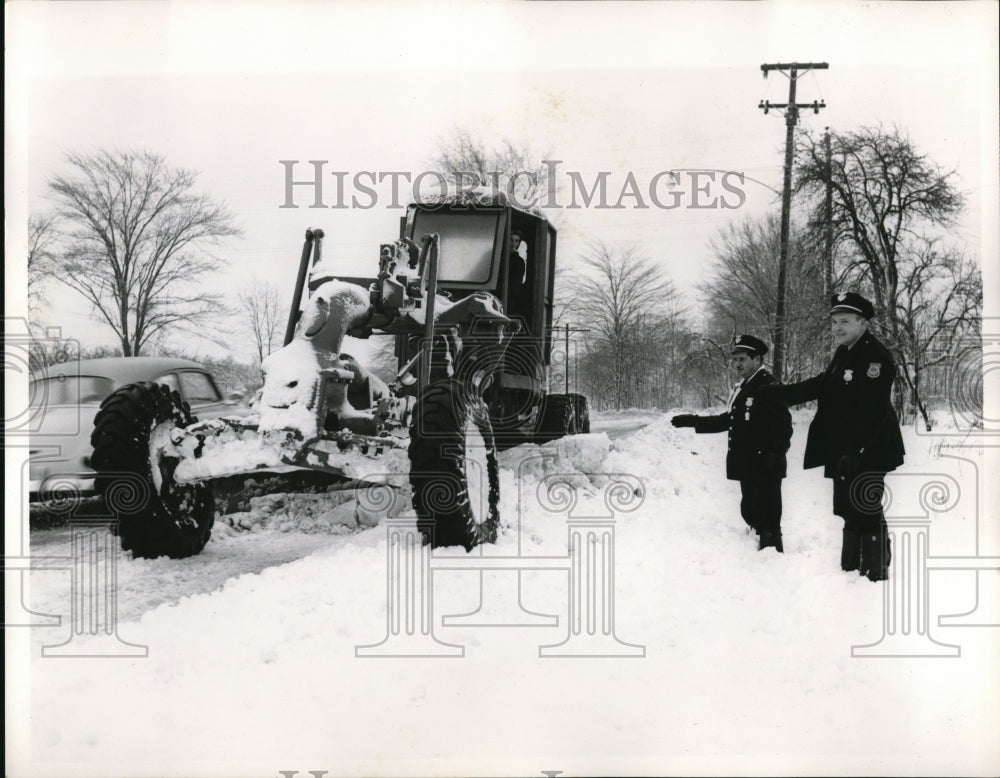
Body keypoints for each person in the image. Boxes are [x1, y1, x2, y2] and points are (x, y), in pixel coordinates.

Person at [766, 292, 905, 581]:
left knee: (865, 506)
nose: (838, 328)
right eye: (834, 322)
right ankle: (850, 569)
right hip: (847, 448)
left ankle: (874, 574)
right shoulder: (845, 352)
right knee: (848, 508)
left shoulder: (874, 357)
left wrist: (856, 452)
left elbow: (873, 413)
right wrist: (782, 394)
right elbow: (823, 384)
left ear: (862, 323)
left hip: (871, 447)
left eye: (845, 321)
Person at [671, 335, 792, 552]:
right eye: (734, 359)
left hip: (765, 463)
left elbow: (784, 427)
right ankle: (758, 550)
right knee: (750, 509)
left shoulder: (768, 386)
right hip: (749, 462)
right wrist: (692, 421)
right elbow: (729, 420)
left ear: (757, 360)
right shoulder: (746, 386)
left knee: (768, 513)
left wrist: (775, 455)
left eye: (742, 359)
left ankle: (772, 555)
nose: (737, 364)